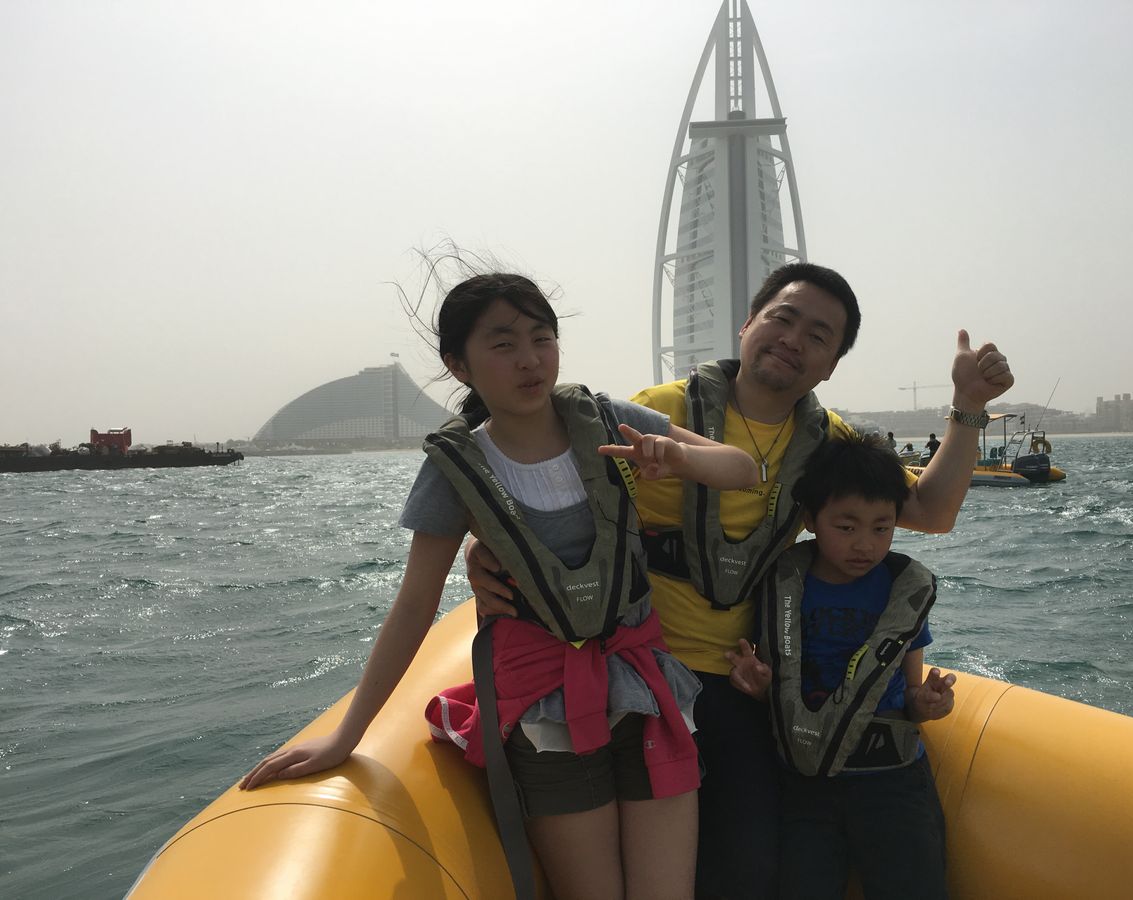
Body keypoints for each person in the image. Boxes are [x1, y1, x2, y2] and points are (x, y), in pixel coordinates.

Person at [469, 261, 1013, 899]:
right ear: (748, 324)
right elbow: (550, 489)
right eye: (783, 318)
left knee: (751, 868)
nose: (794, 339)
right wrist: (481, 548)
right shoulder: (657, 412)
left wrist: (968, 406)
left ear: (831, 365)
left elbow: (930, 511)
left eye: (819, 336)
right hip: (637, 670)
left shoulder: (827, 442)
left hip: (740, 683)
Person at [240, 272, 759, 900]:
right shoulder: (455, 469)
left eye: (542, 338)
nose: (530, 360)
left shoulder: (609, 420)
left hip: (645, 687)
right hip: (544, 710)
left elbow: (742, 469)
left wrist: (677, 457)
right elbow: (414, 604)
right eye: (504, 344)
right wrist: (346, 736)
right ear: (459, 365)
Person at [727, 433, 955, 900]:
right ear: (811, 519)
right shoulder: (785, 585)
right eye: (846, 527)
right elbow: (779, 686)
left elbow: (911, 699)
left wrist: (930, 702)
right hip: (806, 786)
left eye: (881, 528)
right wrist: (758, 685)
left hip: (893, 783)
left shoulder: (901, 589)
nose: (864, 545)